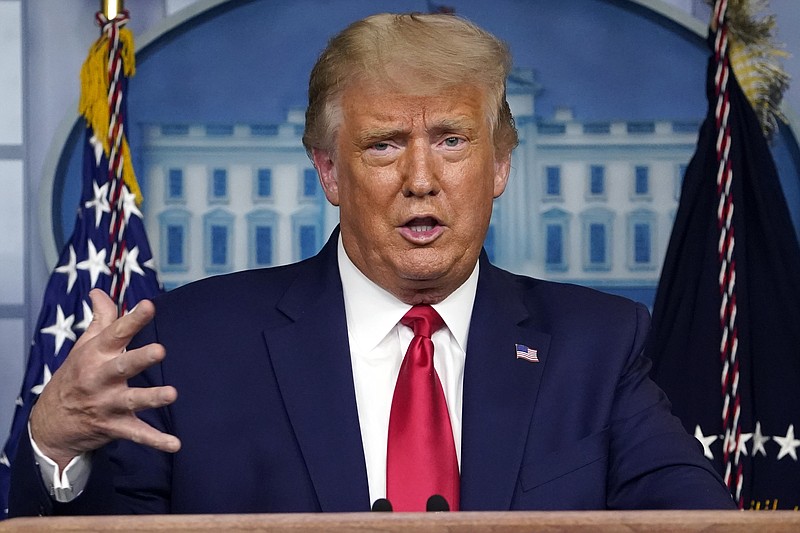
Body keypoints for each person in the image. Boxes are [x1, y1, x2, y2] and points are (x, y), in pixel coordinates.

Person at [9, 13, 735, 515]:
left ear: (501, 165)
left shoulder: (598, 346)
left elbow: (701, 521)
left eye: (453, 140)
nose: (422, 178)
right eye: (384, 144)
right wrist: (54, 444)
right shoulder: (190, 345)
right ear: (328, 171)